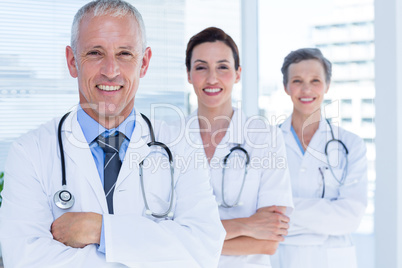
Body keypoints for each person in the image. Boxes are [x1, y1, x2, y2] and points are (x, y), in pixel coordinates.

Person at [0, 1, 225, 267]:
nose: (110, 70)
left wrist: (100, 230)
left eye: (125, 54)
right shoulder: (30, 153)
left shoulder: (182, 147)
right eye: (95, 53)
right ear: (73, 62)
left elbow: (204, 249)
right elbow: (25, 259)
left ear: (144, 63)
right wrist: (151, 248)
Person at [178, 27, 294, 267]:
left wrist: (188, 240)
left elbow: (269, 242)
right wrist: (246, 225)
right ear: (189, 74)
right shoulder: (170, 140)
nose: (212, 78)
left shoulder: (265, 138)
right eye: (201, 67)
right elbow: (158, 231)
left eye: (222, 67)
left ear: (238, 73)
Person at [271, 48, 368, 268]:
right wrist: (325, 216)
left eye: (315, 80)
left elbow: (351, 217)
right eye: (297, 80)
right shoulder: (268, 143)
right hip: (280, 258)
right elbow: (259, 212)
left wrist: (285, 212)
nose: (306, 89)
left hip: (332, 259)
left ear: (327, 85)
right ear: (286, 87)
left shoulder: (351, 145)